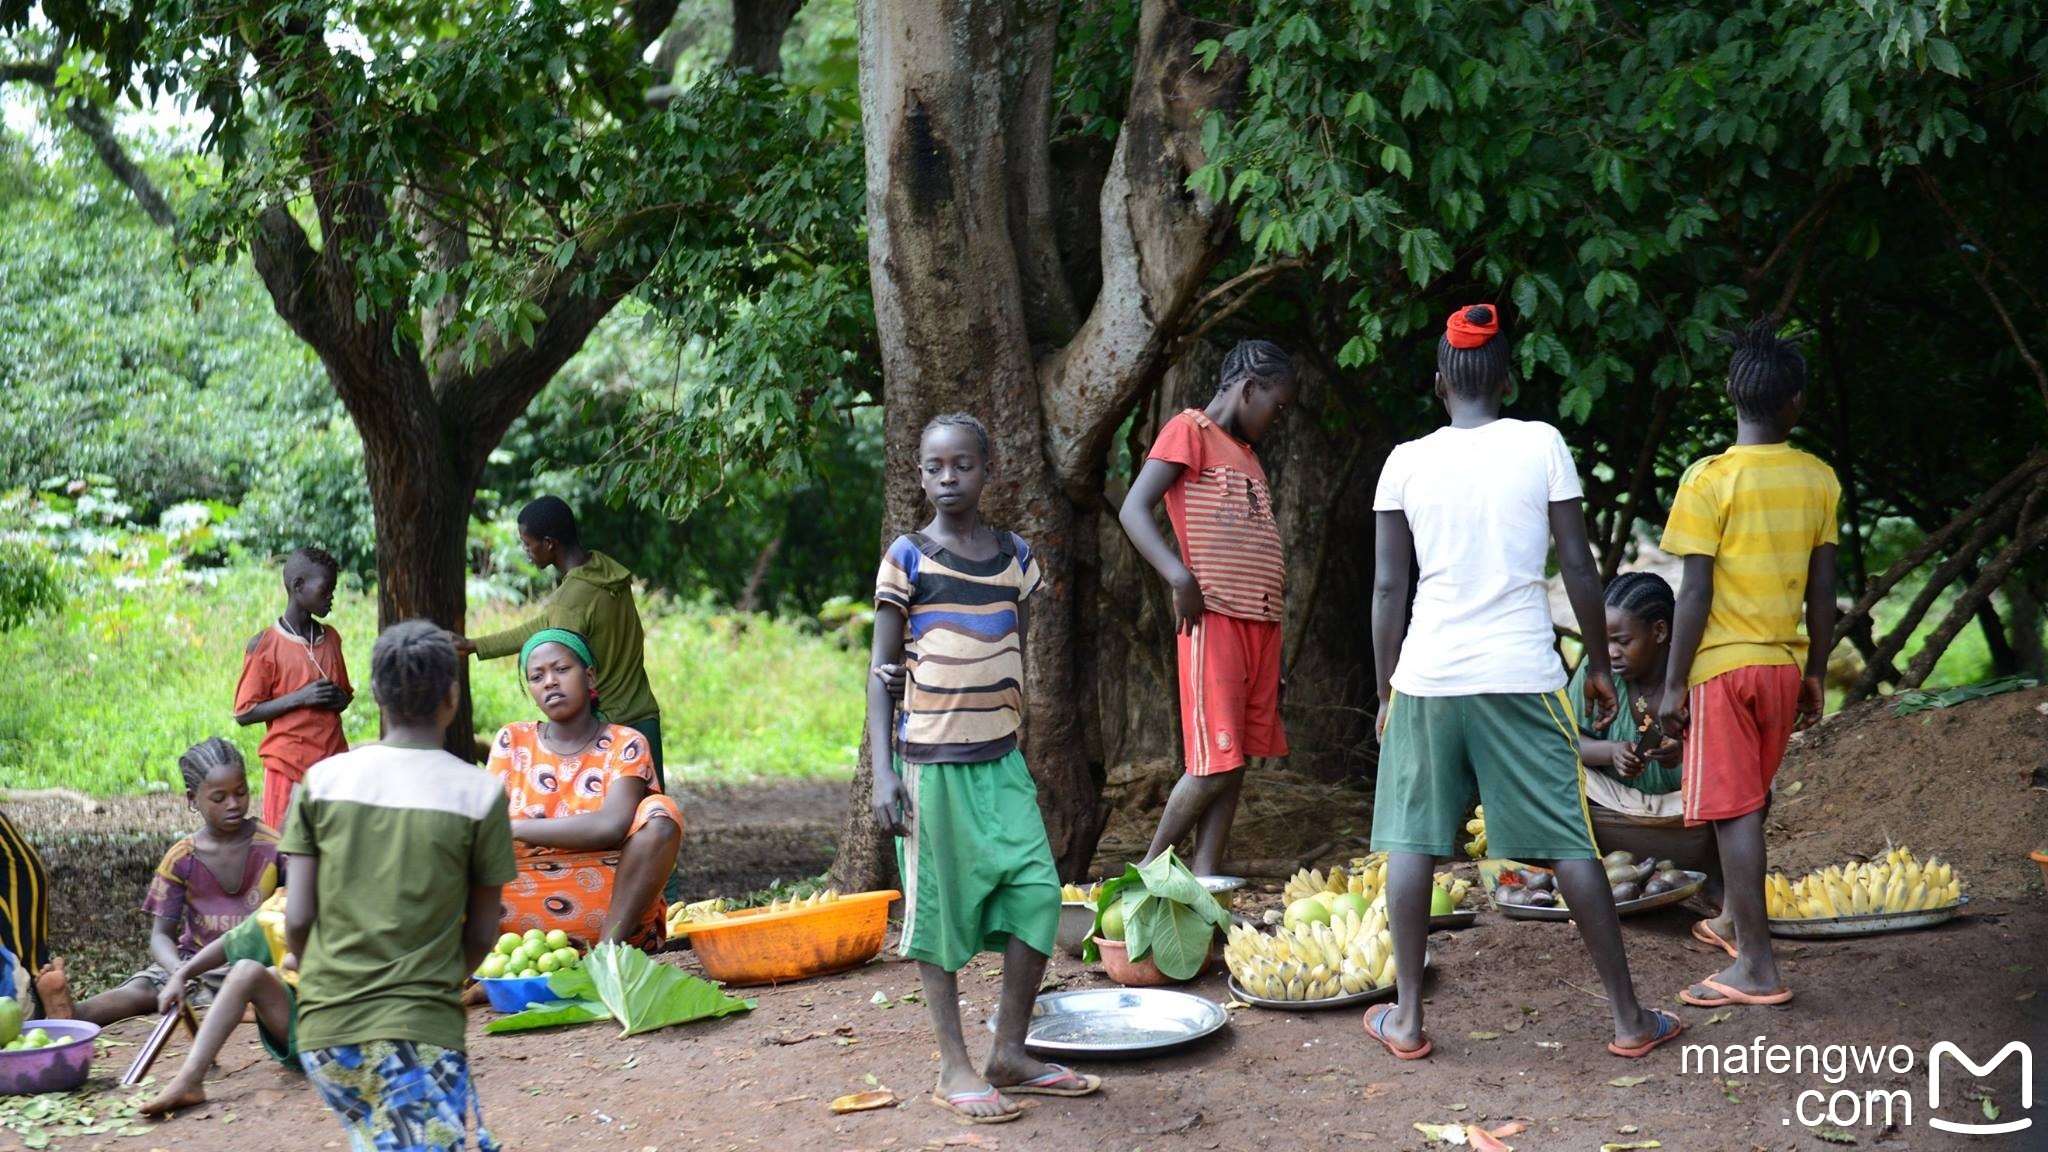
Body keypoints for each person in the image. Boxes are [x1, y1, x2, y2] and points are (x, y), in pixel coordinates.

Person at [1366, 304, 1680, 1061]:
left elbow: (1386, 591)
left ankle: (1406, 1021)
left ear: (1440, 384)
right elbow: (1577, 565)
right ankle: (1629, 1021)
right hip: (1520, 673)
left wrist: (1386, 694)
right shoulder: (1540, 443)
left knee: (1411, 844)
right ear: (1505, 380)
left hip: (1428, 675)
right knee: (1570, 843)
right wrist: (1598, 669)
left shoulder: (1404, 461)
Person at [867, 413, 1102, 1124]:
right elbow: (881, 675)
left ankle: (1009, 1050)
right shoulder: (907, 558)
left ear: (988, 471)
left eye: (962, 465)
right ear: (919, 473)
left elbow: (1012, 649)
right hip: (929, 769)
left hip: (1001, 762)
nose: (948, 477)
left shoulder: (1014, 558)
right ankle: (954, 1066)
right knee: (936, 915)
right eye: (935, 466)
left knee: (1036, 894)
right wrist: (884, 772)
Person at [1657, 319, 1838, 1010]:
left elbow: (1694, 591)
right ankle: (1734, 922)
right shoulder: (1818, 479)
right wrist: (1816, 669)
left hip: (1724, 672)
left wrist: (1675, 681)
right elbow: (1823, 591)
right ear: (1796, 405)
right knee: (1747, 803)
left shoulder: (1710, 480)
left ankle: (1756, 967)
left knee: (1734, 814)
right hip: (1781, 669)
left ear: (1730, 397)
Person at [283, 620, 514, 1152]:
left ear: (376, 695)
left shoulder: (322, 781)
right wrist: (431, 981)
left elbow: (297, 919)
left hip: (324, 1031)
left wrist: (318, 969)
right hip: (419, 1028)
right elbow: (482, 931)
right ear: (452, 697)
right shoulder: (479, 794)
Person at [1119, 340, 1298, 876]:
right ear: (1248, 389)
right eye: (1277, 403)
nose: (1279, 415)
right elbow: (1133, 509)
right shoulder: (1189, 431)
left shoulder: (1247, 457)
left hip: (1260, 626)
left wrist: (1276, 643)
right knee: (1215, 759)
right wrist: (1178, 575)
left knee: (1236, 759)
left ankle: (1206, 880)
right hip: (1213, 618)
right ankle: (1148, 873)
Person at [49, 739, 282, 1027]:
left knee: (279, 982)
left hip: (255, 965)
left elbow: (292, 911)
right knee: (140, 990)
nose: (233, 804)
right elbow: (161, 935)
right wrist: (176, 969)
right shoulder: (182, 857)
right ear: (191, 799)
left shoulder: (273, 847)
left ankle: (236, 1005)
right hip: (193, 965)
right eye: (219, 798)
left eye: (241, 792)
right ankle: (73, 1014)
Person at [1565, 572, 1735, 954]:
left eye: (1622, 641)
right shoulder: (1597, 674)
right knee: (1546, 765)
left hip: (1688, 816)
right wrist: (1608, 752)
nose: (1610, 652)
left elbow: (1730, 750)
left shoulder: (1701, 674)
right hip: (1615, 811)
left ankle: (1717, 881)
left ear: (1659, 631)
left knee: (1748, 782)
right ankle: (1588, 879)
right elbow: (1563, 741)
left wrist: (1686, 752)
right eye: (1602, 641)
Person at [485, 628, 682, 949]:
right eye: (536, 676)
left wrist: (517, 828)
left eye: (561, 669)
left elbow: (611, 825)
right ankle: (488, 966)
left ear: (590, 677)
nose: (549, 681)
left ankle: (603, 958)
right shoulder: (513, 741)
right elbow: (484, 829)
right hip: (514, 930)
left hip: (615, 922)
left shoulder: (625, 743)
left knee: (661, 815)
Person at [454, 498, 666, 789]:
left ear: (550, 543)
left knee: (604, 826)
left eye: (528, 544)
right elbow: (544, 626)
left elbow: (559, 654)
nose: (526, 551)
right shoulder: (605, 573)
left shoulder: (569, 603)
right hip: (644, 717)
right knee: (653, 818)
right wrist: (476, 645)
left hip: (607, 733)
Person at [140, 889, 299, 1116]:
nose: (290, 861)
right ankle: (190, 1080)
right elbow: (229, 943)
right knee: (250, 971)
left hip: (337, 1030)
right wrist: (180, 975)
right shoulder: (281, 905)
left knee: (275, 970)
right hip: (302, 1028)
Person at [234, 546, 352, 830]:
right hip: (288, 767)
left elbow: (345, 695)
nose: (331, 597)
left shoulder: (331, 639)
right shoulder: (265, 645)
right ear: (299, 586)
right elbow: (244, 713)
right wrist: (301, 697)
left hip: (333, 766)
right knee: (285, 852)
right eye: (326, 589)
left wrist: (339, 699)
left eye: (333, 589)